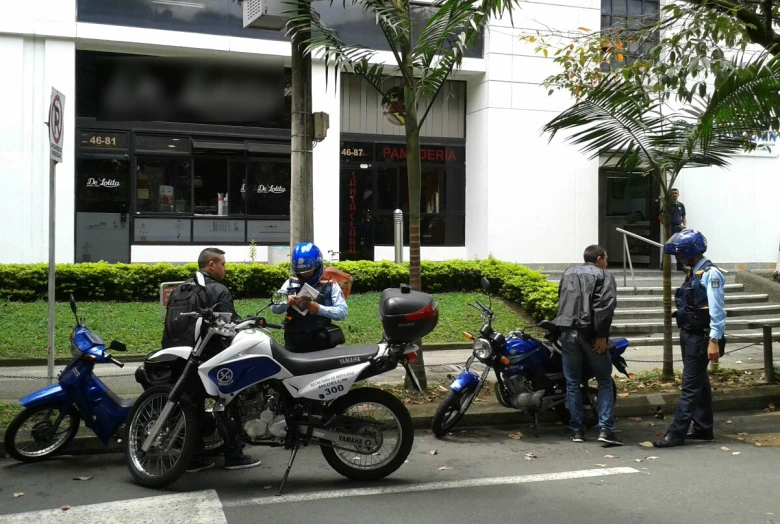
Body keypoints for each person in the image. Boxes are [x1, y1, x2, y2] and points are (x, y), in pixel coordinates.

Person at [176, 248, 262, 473]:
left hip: (186, 357)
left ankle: (193, 458)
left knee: (191, 405)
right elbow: (228, 327)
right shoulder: (218, 289)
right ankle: (234, 454)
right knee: (228, 403)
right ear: (211, 265)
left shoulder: (183, 287)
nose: (225, 268)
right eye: (223, 264)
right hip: (214, 357)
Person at [654, 230, 726, 448]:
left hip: (701, 337)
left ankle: (676, 433)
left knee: (689, 386)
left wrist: (714, 339)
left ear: (690, 253)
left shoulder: (710, 274)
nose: (678, 259)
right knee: (699, 382)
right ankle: (704, 428)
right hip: (689, 334)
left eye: (680, 254)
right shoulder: (693, 272)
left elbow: (717, 309)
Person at [553, 245, 621, 446]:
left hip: (567, 331)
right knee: (604, 381)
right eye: (606, 258)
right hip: (591, 334)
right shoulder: (603, 275)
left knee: (572, 383)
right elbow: (605, 306)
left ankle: (577, 431)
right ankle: (606, 430)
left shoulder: (568, 273)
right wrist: (602, 336)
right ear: (599, 258)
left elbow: (562, 299)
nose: (607, 261)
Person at [271, 242, 348, 352]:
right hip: (293, 342)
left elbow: (342, 312)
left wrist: (319, 309)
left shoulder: (331, 285)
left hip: (320, 342)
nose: (304, 275)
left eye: (308, 271)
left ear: (317, 267)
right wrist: (286, 300)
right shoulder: (290, 282)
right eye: (300, 271)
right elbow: (274, 308)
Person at [658, 188, 687, 271]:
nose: (674, 195)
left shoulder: (681, 205)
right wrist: (666, 225)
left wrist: (684, 225)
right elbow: (660, 217)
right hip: (670, 229)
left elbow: (683, 217)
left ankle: (680, 265)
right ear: (670, 195)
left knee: (679, 246)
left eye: (676, 193)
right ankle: (664, 265)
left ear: (678, 195)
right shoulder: (667, 205)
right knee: (668, 246)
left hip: (679, 228)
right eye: (673, 193)